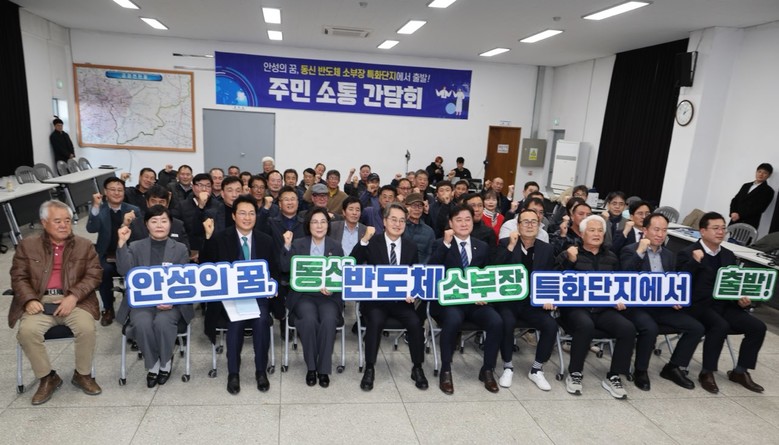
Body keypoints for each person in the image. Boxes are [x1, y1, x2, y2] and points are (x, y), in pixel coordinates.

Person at [10, 200, 103, 405]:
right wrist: (29, 299)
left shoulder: (84, 245)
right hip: (40, 300)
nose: (63, 225)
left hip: (76, 300)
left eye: (67, 220)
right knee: (27, 332)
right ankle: (47, 377)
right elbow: (18, 277)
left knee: (86, 328)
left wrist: (73, 296)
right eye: (57, 221)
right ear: (44, 223)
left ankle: (82, 374)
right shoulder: (28, 245)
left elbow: (94, 275)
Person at [676, 211, 767, 393]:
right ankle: (707, 372)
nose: (720, 232)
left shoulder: (728, 255)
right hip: (699, 305)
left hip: (724, 304)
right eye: (715, 228)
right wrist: (694, 262)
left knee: (758, 327)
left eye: (723, 228)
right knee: (720, 326)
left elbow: (732, 285)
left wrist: (740, 300)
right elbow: (680, 281)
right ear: (702, 231)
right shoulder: (688, 252)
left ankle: (740, 371)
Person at [201, 195, 278, 395]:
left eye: (251, 213)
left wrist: (273, 286)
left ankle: (261, 371)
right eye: (242, 213)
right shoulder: (220, 238)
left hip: (258, 297)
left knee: (261, 320)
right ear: (234, 216)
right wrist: (208, 238)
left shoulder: (266, 240)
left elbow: (275, 271)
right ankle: (233, 373)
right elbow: (206, 267)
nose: (247, 217)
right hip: (231, 297)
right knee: (235, 322)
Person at [620, 213, 704, 390]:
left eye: (664, 230)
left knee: (696, 328)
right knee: (650, 329)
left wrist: (674, 297)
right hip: (637, 306)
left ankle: (673, 367)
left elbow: (671, 282)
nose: (660, 234)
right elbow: (624, 277)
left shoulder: (668, 255)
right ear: (645, 230)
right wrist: (640, 252)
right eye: (656, 230)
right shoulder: (631, 250)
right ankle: (640, 370)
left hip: (662, 306)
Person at [350, 203, 429, 391]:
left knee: (415, 323)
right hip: (376, 301)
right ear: (384, 221)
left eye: (402, 220)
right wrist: (364, 240)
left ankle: (417, 367)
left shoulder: (410, 246)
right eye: (393, 219)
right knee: (375, 322)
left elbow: (414, 275)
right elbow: (353, 261)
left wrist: (412, 291)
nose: (398, 224)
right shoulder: (373, 242)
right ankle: (370, 367)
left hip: (402, 301)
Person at [556, 215, 635, 399]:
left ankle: (614, 375)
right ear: (582, 234)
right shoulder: (570, 252)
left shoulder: (611, 257)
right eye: (592, 230)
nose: (596, 234)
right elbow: (555, 280)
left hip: (603, 309)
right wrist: (570, 261)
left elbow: (619, 283)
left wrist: (619, 298)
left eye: (600, 231)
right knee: (585, 325)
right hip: (575, 309)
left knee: (628, 328)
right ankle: (575, 373)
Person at [429, 205, 503, 395]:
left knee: (496, 321)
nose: (464, 223)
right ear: (451, 223)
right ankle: (446, 369)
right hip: (450, 302)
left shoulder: (482, 246)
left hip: (475, 303)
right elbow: (432, 270)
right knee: (453, 320)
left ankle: (487, 369)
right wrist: (446, 244)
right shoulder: (440, 243)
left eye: (467, 219)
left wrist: (484, 295)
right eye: (459, 220)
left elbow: (488, 276)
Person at [116, 205, 192, 388]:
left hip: (172, 303)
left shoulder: (180, 248)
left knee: (162, 322)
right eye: (154, 221)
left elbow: (185, 281)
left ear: (170, 224)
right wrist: (121, 243)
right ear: (146, 224)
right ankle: (153, 364)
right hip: (143, 302)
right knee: (142, 323)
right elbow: (124, 271)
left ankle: (165, 362)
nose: (159, 225)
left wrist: (172, 301)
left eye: (164, 221)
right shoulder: (135, 246)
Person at [493, 209, 558, 391]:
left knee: (551, 325)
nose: (530, 225)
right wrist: (510, 246)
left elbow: (550, 277)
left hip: (533, 303)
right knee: (506, 322)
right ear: (518, 225)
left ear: (538, 226)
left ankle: (536, 369)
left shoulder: (546, 249)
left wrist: (549, 298)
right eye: (525, 222)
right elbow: (494, 269)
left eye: (533, 222)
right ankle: (507, 366)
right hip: (509, 300)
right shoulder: (506, 243)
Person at [281, 207, 344, 388]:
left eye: (323, 222)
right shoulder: (298, 244)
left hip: (328, 297)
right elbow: (284, 267)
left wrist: (333, 287)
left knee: (329, 320)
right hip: (303, 296)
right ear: (308, 225)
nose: (319, 226)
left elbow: (342, 275)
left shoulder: (335, 246)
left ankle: (323, 369)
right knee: (308, 320)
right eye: (315, 222)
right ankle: (311, 367)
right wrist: (287, 246)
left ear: (328, 225)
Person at [86, 177, 141, 326]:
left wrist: (127, 224)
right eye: (112, 190)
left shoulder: (133, 210)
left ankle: (133, 306)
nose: (117, 193)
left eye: (120, 190)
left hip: (128, 253)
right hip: (107, 254)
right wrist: (95, 207)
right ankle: (108, 307)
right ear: (105, 192)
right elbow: (91, 229)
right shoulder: (101, 209)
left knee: (134, 272)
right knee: (104, 271)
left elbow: (139, 236)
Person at [128, 184, 189, 250]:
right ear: (147, 203)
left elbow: (186, 251)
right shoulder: (136, 224)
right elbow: (130, 250)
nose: (157, 205)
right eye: (153, 201)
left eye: (161, 202)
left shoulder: (178, 225)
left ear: (167, 204)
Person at [729, 163, 775, 230]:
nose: (761, 174)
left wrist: (740, 215)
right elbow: (735, 200)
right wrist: (733, 212)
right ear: (756, 172)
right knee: (729, 236)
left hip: (749, 223)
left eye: (765, 173)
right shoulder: (746, 185)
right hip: (734, 220)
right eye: (759, 171)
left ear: (769, 175)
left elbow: (760, 208)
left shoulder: (768, 191)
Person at [403, 193, 435, 264]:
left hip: (421, 267)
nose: (417, 209)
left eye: (420, 206)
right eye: (414, 206)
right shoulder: (399, 227)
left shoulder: (428, 231)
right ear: (406, 207)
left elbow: (430, 254)